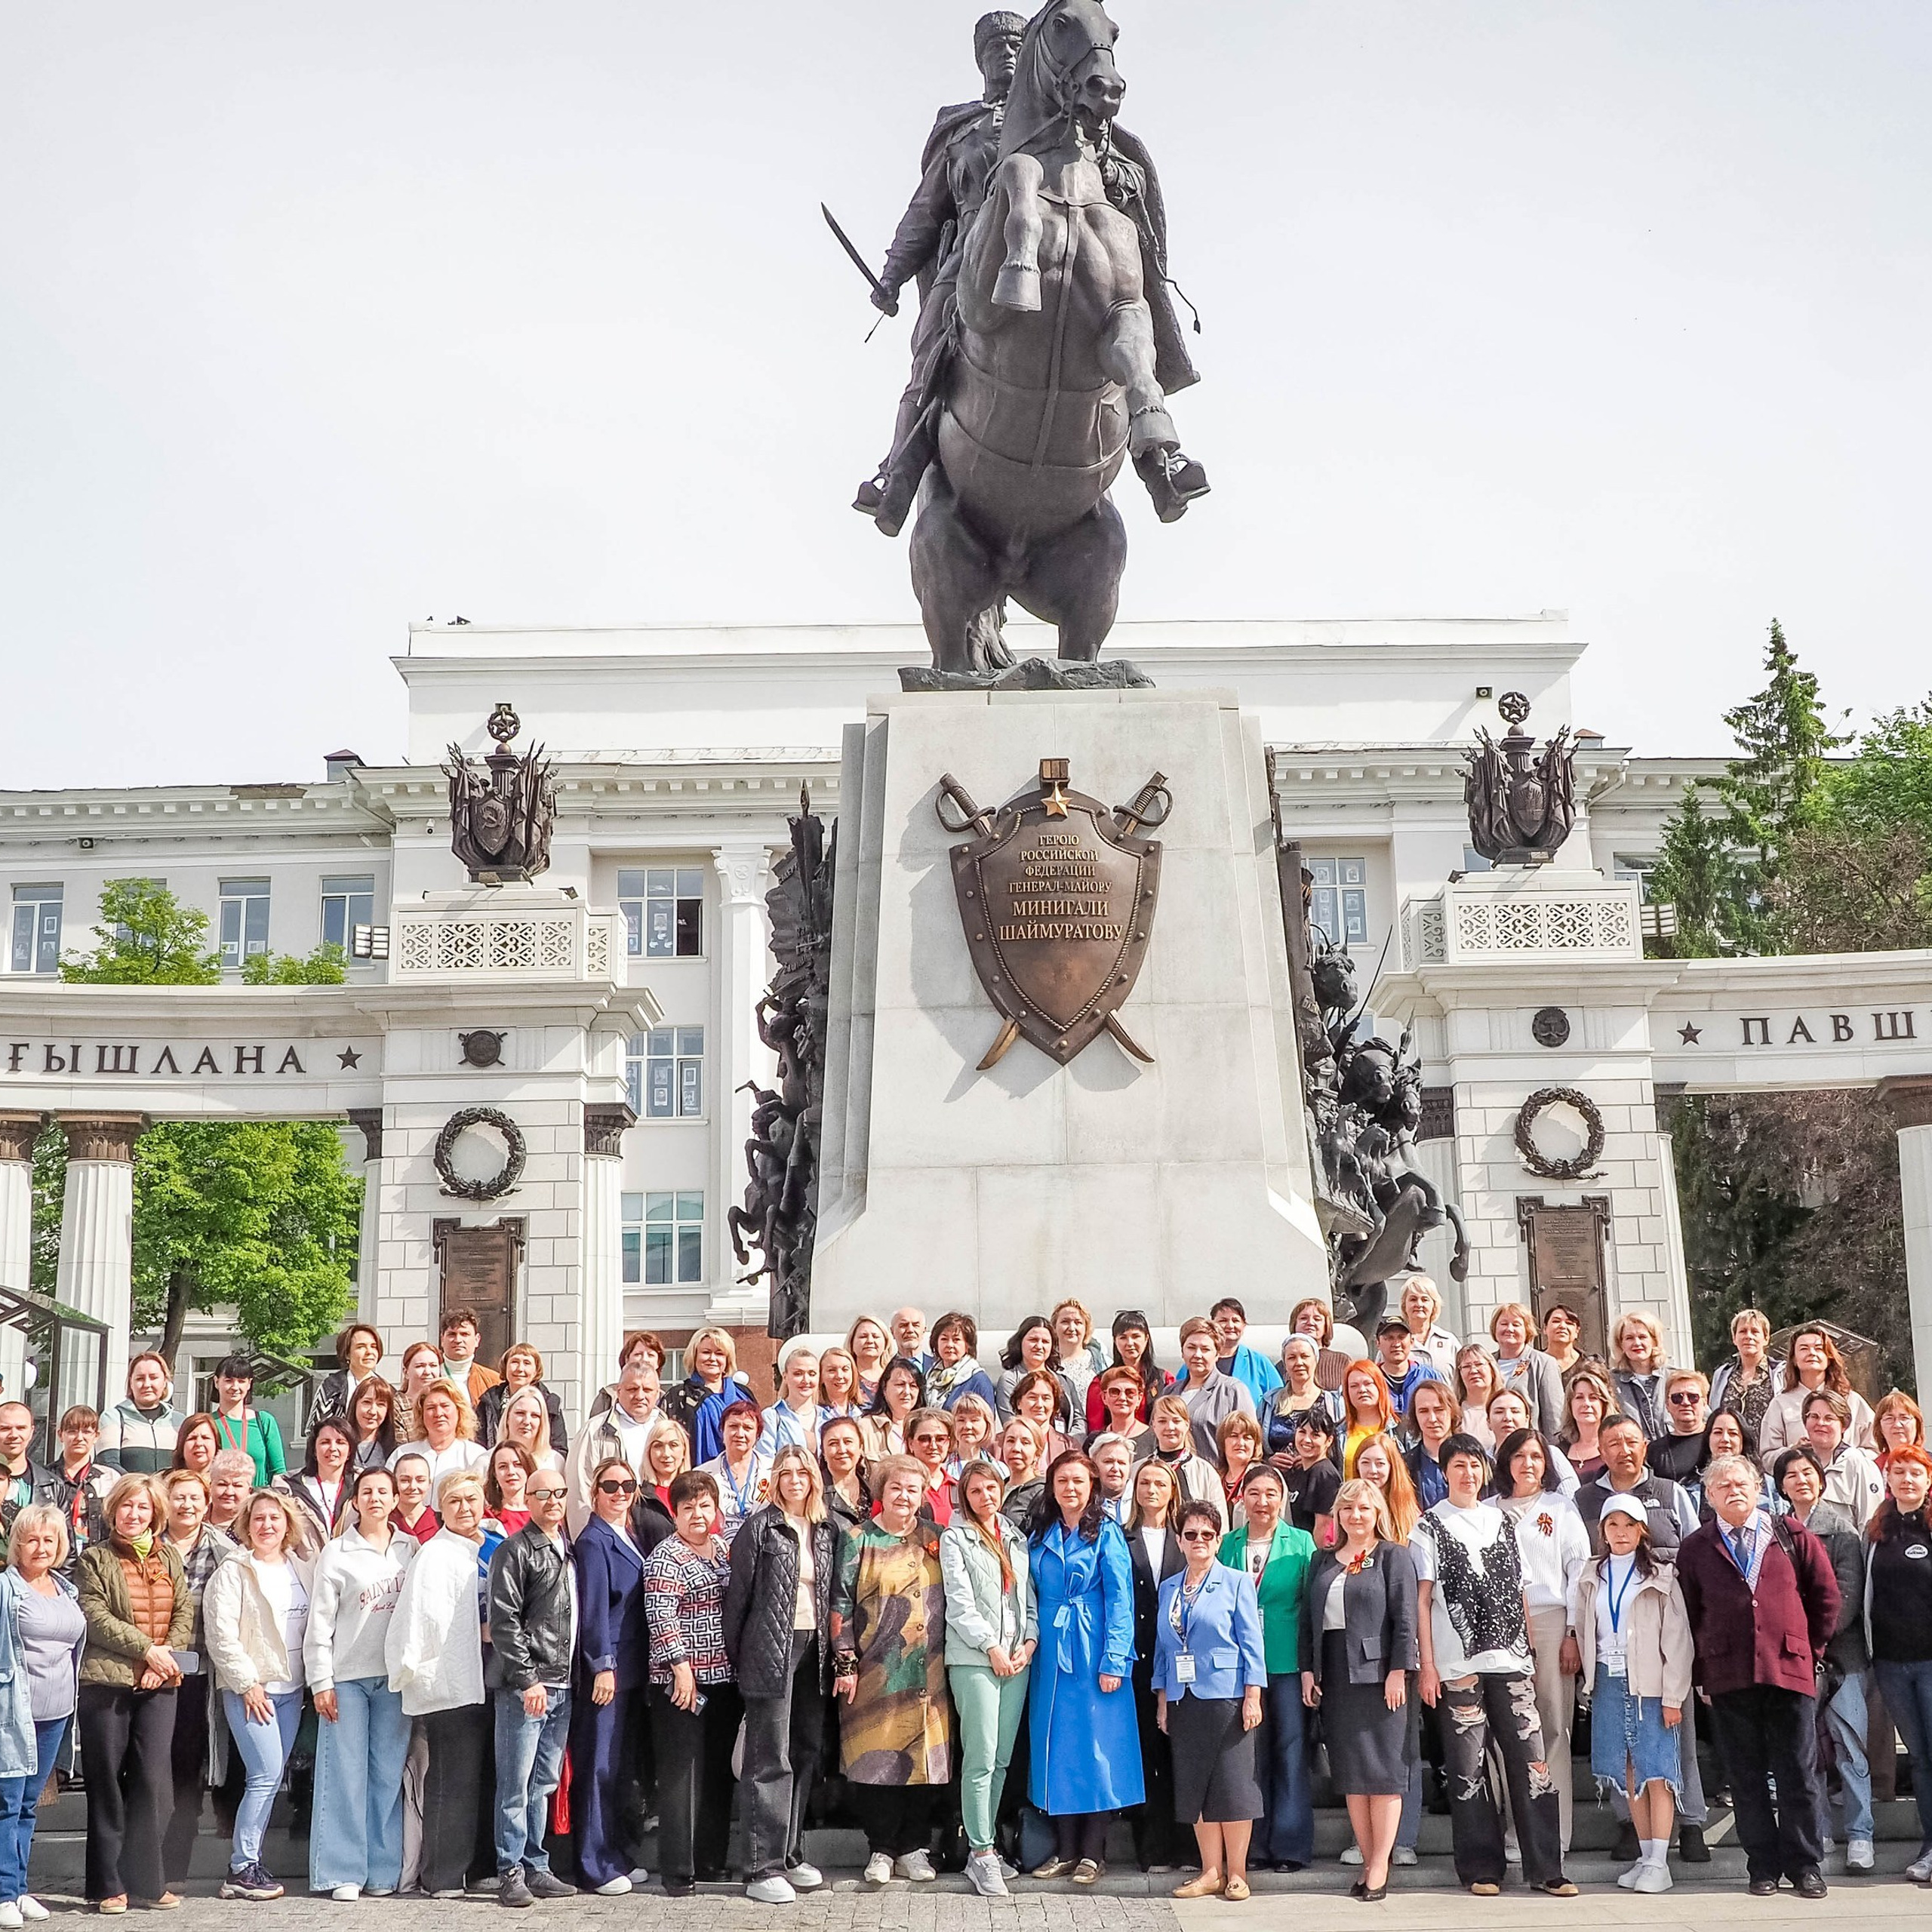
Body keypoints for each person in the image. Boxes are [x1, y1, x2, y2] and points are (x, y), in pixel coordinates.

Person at [851, 7, 1029, 534]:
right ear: (981, 62)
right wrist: (891, 277)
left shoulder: (1062, 123)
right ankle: (897, 470)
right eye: (996, 49)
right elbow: (925, 213)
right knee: (930, 351)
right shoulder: (961, 130)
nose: (1008, 55)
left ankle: (1155, 447)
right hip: (970, 257)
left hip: (1050, 252)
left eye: (1017, 47)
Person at [1414, 1435, 1574, 1898]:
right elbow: (1422, 1602)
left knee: (1532, 1761)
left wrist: (1526, 1644)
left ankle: (1547, 1867)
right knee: (1469, 1766)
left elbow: (1520, 1590)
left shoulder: (1504, 1520)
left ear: (1485, 1470)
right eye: (1458, 1465)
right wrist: (1427, 1665)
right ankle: (1481, 1868)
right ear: (1445, 1471)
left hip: (1512, 1660)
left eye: (1475, 1465)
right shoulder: (1428, 1526)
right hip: (1455, 1661)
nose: (1467, 1473)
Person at [1676, 1452, 1841, 1897]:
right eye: (1723, 1486)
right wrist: (1701, 1673)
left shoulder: (1791, 1535)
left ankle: (1806, 1865)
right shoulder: (1697, 1547)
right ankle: (1762, 1866)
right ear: (1709, 1496)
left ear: (1758, 1489)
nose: (1734, 1491)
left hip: (1789, 1670)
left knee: (1799, 1775)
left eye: (1741, 1484)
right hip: (1729, 1675)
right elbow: (1689, 1615)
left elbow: (1826, 1599)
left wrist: (1811, 1651)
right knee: (1745, 1777)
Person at [1573, 1414, 1711, 1858]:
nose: (1623, 1450)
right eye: (1613, 1443)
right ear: (1602, 1450)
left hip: (1664, 1635)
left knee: (1676, 1737)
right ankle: (1631, 1828)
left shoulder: (1670, 1493)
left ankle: (1690, 1822)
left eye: (1631, 1441)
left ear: (1645, 1445)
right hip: (1612, 1650)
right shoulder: (1584, 1499)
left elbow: (1694, 1551)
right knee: (1623, 1750)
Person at [724, 1447, 835, 1905]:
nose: (794, 1479)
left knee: (805, 1748)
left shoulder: (826, 1529)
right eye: (785, 1473)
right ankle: (760, 1866)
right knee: (770, 1757)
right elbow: (737, 1602)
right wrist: (743, 1660)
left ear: (814, 1478)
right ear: (773, 1479)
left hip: (815, 1649)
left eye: (802, 1472)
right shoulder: (760, 1528)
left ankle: (789, 1853)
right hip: (771, 1649)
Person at [831, 1457, 950, 1884]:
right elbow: (840, 1604)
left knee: (922, 1760)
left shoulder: (936, 1538)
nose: (905, 1496)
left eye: (913, 1489)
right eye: (896, 1488)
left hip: (929, 1672)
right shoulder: (858, 1538)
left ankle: (915, 1847)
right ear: (882, 1492)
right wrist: (845, 1661)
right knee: (876, 1758)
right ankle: (881, 1848)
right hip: (875, 1671)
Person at [75, 1472, 191, 1912]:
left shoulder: (169, 1558)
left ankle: (148, 1880)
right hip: (106, 1682)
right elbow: (95, 1616)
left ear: (155, 1514)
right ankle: (107, 1884)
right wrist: (146, 1651)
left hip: (160, 1683)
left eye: (143, 1507)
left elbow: (184, 1612)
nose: (134, 1513)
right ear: (114, 1509)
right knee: (106, 1781)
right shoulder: (94, 1559)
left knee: (150, 1780)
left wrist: (161, 1662)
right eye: (127, 1505)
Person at [1026, 1451, 1142, 1883]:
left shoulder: (1107, 1532)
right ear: (1052, 1488)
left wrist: (1115, 1659)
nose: (1070, 1489)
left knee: (1098, 1750)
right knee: (1058, 1751)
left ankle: (1094, 1852)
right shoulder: (1040, 1533)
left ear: (1092, 1485)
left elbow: (1120, 1599)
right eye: (1062, 1482)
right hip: (1051, 1655)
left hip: (1093, 1649)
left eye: (1078, 1481)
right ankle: (1065, 1850)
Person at [1302, 1478, 1420, 1899]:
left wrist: (1398, 1671)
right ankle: (1370, 1861)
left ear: (1378, 1515)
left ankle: (1379, 1868)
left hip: (1380, 1677)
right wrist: (1307, 1670)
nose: (1356, 1516)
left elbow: (1406, 1620)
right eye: (1348, 1509)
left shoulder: (1393, 1556)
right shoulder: (1321, 1560)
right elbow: (1308, 1623)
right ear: (1337, 1515)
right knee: (1353, 1776)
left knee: (1384, 1774)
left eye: (1364, 1509)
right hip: (1335, 1676)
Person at [1570, 1495, 1694, 1894]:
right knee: (1628, 1773)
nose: (1620, 1534)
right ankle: (1645, 1856)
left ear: (1642, 1530)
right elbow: (1583, 1626)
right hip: (1608, 1679)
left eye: (1628, 1526)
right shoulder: (1592, 1574)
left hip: (1651, 1684)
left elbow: (1678, 1640)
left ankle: (1661, 1860)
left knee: (1656, 1771)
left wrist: (1674, 1696)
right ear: (1602, 1531)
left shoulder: (1660, 1575)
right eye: (1612, 1526)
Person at [305, 1464, 414, 1901]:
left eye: (383, 1492)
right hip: (346, 1678)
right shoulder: (337, 1552)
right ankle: (342, 1871)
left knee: (387, 1776)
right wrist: (320, 1681)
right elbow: (318, 1624)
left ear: (394, 1500)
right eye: (366, 1491)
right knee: (344, 1775)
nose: (375, 1499)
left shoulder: (411, 1547)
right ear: (355, 1501)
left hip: (395, 1680)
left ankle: (383, 1871)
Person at [1153, 1498, 1267, 1903]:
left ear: (1218, 1540)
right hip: (1184, 1699)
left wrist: (1253, 1694)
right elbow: (1164, 1650)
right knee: (1194, 1786)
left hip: (1229, 1695)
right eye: (1190, 1534)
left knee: (1233, 1786)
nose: (1198, 1540)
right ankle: (1210, 1872)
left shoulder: (1236, 1581)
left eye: (1207, 1534)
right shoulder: (1169, 1587)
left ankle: (1237, 1872)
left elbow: (1253, 1642)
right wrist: (1163, 1699)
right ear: (1180, 1541)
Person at [204, 1488, 313, 1903]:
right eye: (258, 1519)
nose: (267, 1525)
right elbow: (221, 1634)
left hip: (292, 1691)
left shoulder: (303, 1568)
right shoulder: (233, 1571)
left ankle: (251, 1860)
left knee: (271, 1778)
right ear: (246, 1527)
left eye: (274, 1518)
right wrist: (247, 1683)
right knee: (265, 1776)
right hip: (254, 1690)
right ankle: (241, 1866)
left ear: (287, 1523)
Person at [384, 1472, 490, 1900]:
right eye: (455, 1501)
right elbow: (420, 1619)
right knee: (451, 1781)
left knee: (476, 1781)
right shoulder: (435, 1554)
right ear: (439, 1508)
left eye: (472, 1499)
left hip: (486, 1678)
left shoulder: (487, 1544)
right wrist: (422, 1673)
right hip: (450, 1682)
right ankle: (441, 1874)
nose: (465, 1508)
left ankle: (471, 1869)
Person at [1774, 1444, 1875, 1871]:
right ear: (1781, 1485)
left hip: (1841, 1657)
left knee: (1850, 1748)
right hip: (1793, 1659)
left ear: (1821, 1478)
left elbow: (1846, 1598)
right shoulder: (1773, 1531)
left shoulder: (1843, 1531)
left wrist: (1813, 1639)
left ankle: (1860, 1833)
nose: (1800, 1480)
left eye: (1807, 1472)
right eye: (1791, 1474)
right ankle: (1818, 1831)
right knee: (1805, 1751)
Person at [940, 1457, 1036, 1898]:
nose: (986, 1497)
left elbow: (1027, 1600)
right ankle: (979, 1853)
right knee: (980, 1757)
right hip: (975, 1658)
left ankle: (989, 1846)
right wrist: (991, 1647)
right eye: (976, 1490)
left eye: (992, 1488)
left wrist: (1028, 1642)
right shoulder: (955, 1538)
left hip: (1017, 1659)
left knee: (1001, 1759)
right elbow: (959, 1605)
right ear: (966, 1495)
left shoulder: (1016, 1538)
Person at [643, 1470, 743, 1894]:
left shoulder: (721, 1549)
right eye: (688, 1508)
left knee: (718, 1774)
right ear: (675, 1512)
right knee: (682, 1774)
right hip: (681, 1682)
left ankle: (711, 1860)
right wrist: (680, 1667)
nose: (698, 1515)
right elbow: (660, 1614)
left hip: (724, 1679)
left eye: (705, 1505)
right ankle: (678, 1870)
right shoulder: (665, 1557)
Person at [484, 1457, 575, 1909]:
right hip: (528, 1687)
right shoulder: (515, 1550)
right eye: (544, 1495)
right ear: (529, 1499)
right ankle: (510, 1870)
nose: (554, 1501)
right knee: (515, 1784)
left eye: (560, 1494)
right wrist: (527, 1679)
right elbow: (503, 1621)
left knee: (543, 1781)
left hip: (563, 1684)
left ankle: (538, 1865)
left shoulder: (567, 1545)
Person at [1494, 1429, 1589, 1854]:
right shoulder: (1488, 1510)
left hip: (1552, 1622)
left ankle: (1557, 1832)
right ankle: (1518, 1832)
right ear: (1506, 1462)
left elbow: (1579, 1572)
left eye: (1535, 1456)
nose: (1528, 1464)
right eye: (1519, 1456)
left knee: (1553, 1727)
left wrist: (1572, 1632)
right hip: (1502, 1625)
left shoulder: (1560, 1508)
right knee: (1511, 1729)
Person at [1218, 1463, 1315, 1872]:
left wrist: (1312, 1667)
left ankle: (1290, 1846)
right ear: (1242, 1499)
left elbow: (1311, 1608)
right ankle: (1253, 1847)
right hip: (1240, 1666)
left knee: (1290, 1752)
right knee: (1249, 1757)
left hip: (1287, 1660)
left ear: (1283, 1499)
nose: (1262, 1502)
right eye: (1254, 1493)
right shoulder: (1228, 1544)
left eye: (1270, 1493)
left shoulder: (1302, 1543)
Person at [0, 1503, 85, 1928]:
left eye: (49, 1540)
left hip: (56, 1715)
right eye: (32, 1539)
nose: (40, 1547)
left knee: (30, 1805)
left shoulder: (66, 1590)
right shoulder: (5, 1589)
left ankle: (18, 1889)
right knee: (6, 1804)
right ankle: (2, 1893)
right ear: (17, 1543)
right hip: (13, 1714)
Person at [570, 1457, 651, 1895]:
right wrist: (602, 1665)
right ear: (594, 1492)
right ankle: (592, 1863)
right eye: (610, 1486)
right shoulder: (593, 1541)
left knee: (619, 1769)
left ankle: (615, 1853)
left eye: (627, 1485)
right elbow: (595, 1610)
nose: (620, 1493)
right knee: (597, 1766)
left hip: (634, 1672)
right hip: (610, 1672)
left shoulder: (627, 1534)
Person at [158, 1468, 233, 1889]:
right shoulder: (148, 1546)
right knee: (150, 1767)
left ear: (207, 1504)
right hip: (151, 1667)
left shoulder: (224, 1550)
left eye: (193, 1498)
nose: (186, 1505)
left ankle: (175, 1865)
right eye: (178, 1497)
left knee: (187, 1768)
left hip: (201, 1671)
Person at [1866, 1447, 1932, 1884]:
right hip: (1891, 1664)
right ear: (1887, 1478)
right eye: (1898, 1472)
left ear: (1928, 1481)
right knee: (1923, 1761)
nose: (1906, 1479)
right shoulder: (1876, 1532)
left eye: (1916, 1472)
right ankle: (1929, 1847)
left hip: (1931, 1663)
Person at [1124, 1459, 1183, 1873]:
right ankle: (1152, 1846)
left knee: (1181, 1752)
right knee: (1147, 1752)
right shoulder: (1121, 1537)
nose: (1151, 1489)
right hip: (1138, 1658)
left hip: (1181, 1659)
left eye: (1160, 1482)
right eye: (1144, 1482)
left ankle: (1186, 1846)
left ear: (1172, 1490)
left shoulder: (1189, 1537)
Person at [566, 1354, 661, 1533]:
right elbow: (579, 1491)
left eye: (647, 1390)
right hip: (612, 1533)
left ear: (658, 1393)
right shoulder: (594, 1431)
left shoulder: (667, 1430)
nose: (640, 1396)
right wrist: (587, 1539)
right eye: (632, 1389)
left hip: (658, 1532)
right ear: (619, 1391)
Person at [663, 1329, 756, 1466]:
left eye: (719, 1353)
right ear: (694, 1356)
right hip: (694, 1473)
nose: (712, 1358)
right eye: (706, 1352)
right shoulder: (678, 1397)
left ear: (727, 1359)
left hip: (741, 1471)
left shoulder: (743, 1395)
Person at [1177, 1320, 1257, 1467]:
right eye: (1191, 1348)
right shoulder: (1170, 1393)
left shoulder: (1233, 1390)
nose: (1197, 1355)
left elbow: (1251, 1442)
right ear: (1183, 1352)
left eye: (1205, 1349)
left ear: (1217, 1354)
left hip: (1216, 1481)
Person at [1801, 1389, 1885, 1529]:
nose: (1821, 1423)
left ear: (1844, 1426)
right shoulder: (1798, 1466)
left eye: (1829, 1418)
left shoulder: (1858, 1465)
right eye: (1814, 1416)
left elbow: (1870, 1524)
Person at [1708, 1309, 1783, 1457]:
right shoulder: (1722, 1375)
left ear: (1766, 1338)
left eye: (1755, 1331)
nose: (1748, 1336)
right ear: (1734, 1338)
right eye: (1743, 1331)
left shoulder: (1781, 1373)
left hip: (1767, 1456)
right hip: (1730, 1457)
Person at [474, 1343, 568, 1459]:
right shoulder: (488, 1402)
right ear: (505, 1367)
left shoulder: (550, 1404)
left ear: (536, 1371)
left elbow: (559, 1448)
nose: (520, 1369)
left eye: (527, 1363)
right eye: (515, 1362)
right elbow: (478, 1443)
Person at [1084, 1309, 1170, 1434]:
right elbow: (1095, 1430)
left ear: (1146, 1339)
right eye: (1123, 1337)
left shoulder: (1164, 1379)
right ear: (1115, 1341)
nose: (1130, 1343)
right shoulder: (1100, 1382)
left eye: (1136, 1336)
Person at [97, 1354, 183, 1475]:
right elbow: (108, 1464)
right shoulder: (112, 1418)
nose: (147, 1384)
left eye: (154, 1378)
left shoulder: (180, 1421)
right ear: (131, 1383)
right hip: (130, 1492)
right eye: (140, 1379)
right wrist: (139, 1488)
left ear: (165, 1381)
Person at [208, 1357, 288, 1487]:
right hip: (223, 1499)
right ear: (216, 1382)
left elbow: (279, 1472)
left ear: (249, 1384)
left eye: (241, 1381)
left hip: (258, 1501)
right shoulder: (208, 1424)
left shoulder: (264, 1421)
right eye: (228, 1381)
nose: (235, 1387)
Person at [701, 1400, 773, 1544]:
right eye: (733, 1426)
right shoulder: (702, 1475)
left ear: (758, 1434)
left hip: (764, 1553)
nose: (740, 1434)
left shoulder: (774, 1471)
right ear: (722, 1431)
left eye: (748, 1428)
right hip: (716, 1555)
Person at [392, 1383, 487, 1491]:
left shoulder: (475, 1455)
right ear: (421, 1414)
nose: (438, 1413)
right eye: (431, 1408)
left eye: (445, 1406)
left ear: (459, 1411)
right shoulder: (402, 1454)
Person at [279, 1417, 353, 1553]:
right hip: (305, 1568)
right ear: (314, 1449)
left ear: (349, 1451)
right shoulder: (289, 1488)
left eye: (340, 1442)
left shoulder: (361, 1487)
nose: (333, 1448)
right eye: (325, 1442)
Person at [1147, 1395, 1225, 1526]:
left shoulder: (1205, 1472)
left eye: (1176, 1421)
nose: (1170, 1427)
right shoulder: (1138, 1470)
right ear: (1154, 1425)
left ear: (1187, 1424)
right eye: (1162, 1421)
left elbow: (1220, 1525)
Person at [51, 1406, 112, 1570]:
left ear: (96, 1436)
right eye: (72, 1431)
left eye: (86, 1432)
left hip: (99, 1564)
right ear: (60, 1435)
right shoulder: (45, 1478)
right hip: (56, 1563)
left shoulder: (109, 1479)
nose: (79, 1438)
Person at [1490, 1305, 1565, 1436]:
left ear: (1527, 1330)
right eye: (1504, 1324)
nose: (1509, 1329)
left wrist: (1551, 1450)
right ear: (1495, 1329)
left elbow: (1554, 1417)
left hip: (1529, 1445)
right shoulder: (1487, 1363)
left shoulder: (1544, 1363)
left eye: (1516, 1324)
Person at [1203, 1299, 1282, 1412]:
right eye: (1223, 1320)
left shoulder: (1260, 1363)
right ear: (1212, 1325)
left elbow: (1280, 1401)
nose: (1230, 1326)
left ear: (1244, 1325)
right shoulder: (1198, 1361)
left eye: (1235, 1320)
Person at [1265, 1339, 1343, 1454]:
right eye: (1292, 1358)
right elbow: (1258, 1445)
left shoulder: (1332, 1403)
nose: (1299, 1362)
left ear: (1316, 1360)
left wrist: (1312, 1459)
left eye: (1304, 1356)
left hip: (1317, 1471)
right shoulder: (1270, 1402)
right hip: (1277, 1472)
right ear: (1285, 1364)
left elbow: (1338, 1448)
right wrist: (1269, 1461)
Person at [1278, 1410, 1342, 1546]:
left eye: (1315, 1435)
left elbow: (1324, 1526)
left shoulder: (1324, 1474)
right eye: (1302, 1432)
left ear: (1329, 1440)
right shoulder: (1300, 1470)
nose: (1307, 1440)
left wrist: (1313, 1562)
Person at [309, 1322, 386, 1432]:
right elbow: (316, 1430)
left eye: (374, 1347)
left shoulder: (386, 1389)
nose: (369, 1352)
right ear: (347, 1354)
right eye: (361, 1347)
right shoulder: (332, 1386)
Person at [995, 1317, 1072, 1425]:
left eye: (1045, 1342)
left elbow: (1079, 1420)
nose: (1039, 1346)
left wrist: (1070, 1441)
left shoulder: (1063, 1381)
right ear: (1020, 1342)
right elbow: (1010, 1422)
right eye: (1033, 1340)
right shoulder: (1009, 1380)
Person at [1352, 1434, 1422, 1545]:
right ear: (1357, 1465)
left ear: (1391, 1466)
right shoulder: (1347, 1507)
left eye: (1380, 1464)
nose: (1373, 1470)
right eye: (1365, 1463)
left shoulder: (1408, 1510)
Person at [1371, 1318, 1444, 1423]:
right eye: (1389, 1338)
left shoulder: (1429, 1377)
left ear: (1412, 1341)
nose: (1396, 1344)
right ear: (1377, 1343)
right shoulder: (1370, 1379)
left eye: (1401, 1337)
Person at [1610, 1313, 1671, 1439]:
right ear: (1621, 1345)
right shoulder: (1610, 1383)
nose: (1637, 1343)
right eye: (1629, 1338)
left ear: (1654, 1341)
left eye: (1643, 1337)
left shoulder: (1675, 1378)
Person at [1648, 1371, 1714, 1486]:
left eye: (1693, 1397)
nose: (1685, 1402)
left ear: (1705, 1403)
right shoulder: (1655, 1451)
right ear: (1667, 1405)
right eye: (1677, 1398)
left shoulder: (1719, 1441)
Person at [924, 1314, 999, 1414]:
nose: (950, 1345)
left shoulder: (978, 1380)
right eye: (944, 1339)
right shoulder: (929, 1377)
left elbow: (987, 1421)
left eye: (956, 1340)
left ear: (967, 1345)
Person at [756, 1346, 822, 1458]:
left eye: (812, 1374)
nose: (806, 1380)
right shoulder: (772, 1417)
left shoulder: (827, 1416)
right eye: (798, 1373)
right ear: (785, 1377)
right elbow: (765, 1461)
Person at [0, 1407, 55, 1540]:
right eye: (5, 1429)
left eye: (21, 1428)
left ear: (32, 1432)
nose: (13, 1435)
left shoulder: (52, 1485)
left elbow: (66, 1547)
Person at [1558, 1364, 1617, 1484]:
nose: (1586, 1404)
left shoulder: (1616, 1446)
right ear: (1570, 1405)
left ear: (1604, 1404)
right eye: (1579, 1397)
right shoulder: (1559, 1451)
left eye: (1593, 1397)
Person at [436, 1309, 503, 1414]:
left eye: (465, 1334)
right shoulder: (430, 1378)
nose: (458, 1340)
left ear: (477, 1340)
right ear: (442, 1340)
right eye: (452, 1334)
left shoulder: (494, 1381)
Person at [1404, 1381, 1460, 1507]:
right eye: (1424, 1411)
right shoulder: (1404, 1466)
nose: (1432, 1419)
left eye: (1439, 1410)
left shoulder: (1477, 1461)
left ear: (1452, 1412)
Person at [860, 1358, 924, 1463]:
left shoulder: (926, 1427)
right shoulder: (865, 1427)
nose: (907, 1392)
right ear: (884, 1389)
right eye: (900, 1385)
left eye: (913, 1386)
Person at [1340, 1362, 1397, 1475]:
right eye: (1354, 1386)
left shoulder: (1400, 1430)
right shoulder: (1338, 1433)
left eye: (1368, 1383)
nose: (1362, 1390)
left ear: (1380, 1387)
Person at [818, 1417, 870, 1537]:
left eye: (848, 1442)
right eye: (833, 1444)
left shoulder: (874, 1491)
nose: (842, 1450)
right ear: (824, 1453)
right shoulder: (815, 1493)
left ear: (860, 1448)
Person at [1051, 1300, 1107, 1411]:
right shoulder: (1046, 1363)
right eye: (1065, 1322)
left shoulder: (1101, 1362)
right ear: (1054, 1327)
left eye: (1078, 1322)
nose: (1072, 1328)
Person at [1287, 1299, 1352, 1393]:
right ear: (1294, 1324)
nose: (1310, 1323)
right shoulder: (1285, 1363)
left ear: (1326, 1326)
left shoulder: (1342, 1361)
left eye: (1317, 1319)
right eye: (1304, 1318)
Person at [496, 1386, 565, 1472]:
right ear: (507, 1418)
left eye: (535, 1415)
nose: (527, 1421)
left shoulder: (555, 1462)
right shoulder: (486, 1461)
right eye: (520, 1413)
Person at [906, 1409, 955, 1527]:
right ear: (911, 1443)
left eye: (940, 1439)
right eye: (924, 1439)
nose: (933, 1446)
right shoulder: (895, 1487)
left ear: (949, 1443)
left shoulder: (959, 1489)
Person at [1088, 1365, 1152, 1454]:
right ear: (1104, 1397)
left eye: (1130, 1392)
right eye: (1114, 1392)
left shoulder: (1154, 1439)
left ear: (1139, 1398)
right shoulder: (1094, 1440)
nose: (1122, 1398)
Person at [1216, 1415, 1265, 1528]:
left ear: (1255, 1444)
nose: (1241, 1443)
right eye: (1234, 1436)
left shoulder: (1264, 1477)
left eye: (1247, 1438)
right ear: (1223, 1442)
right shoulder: (1214, 1478)